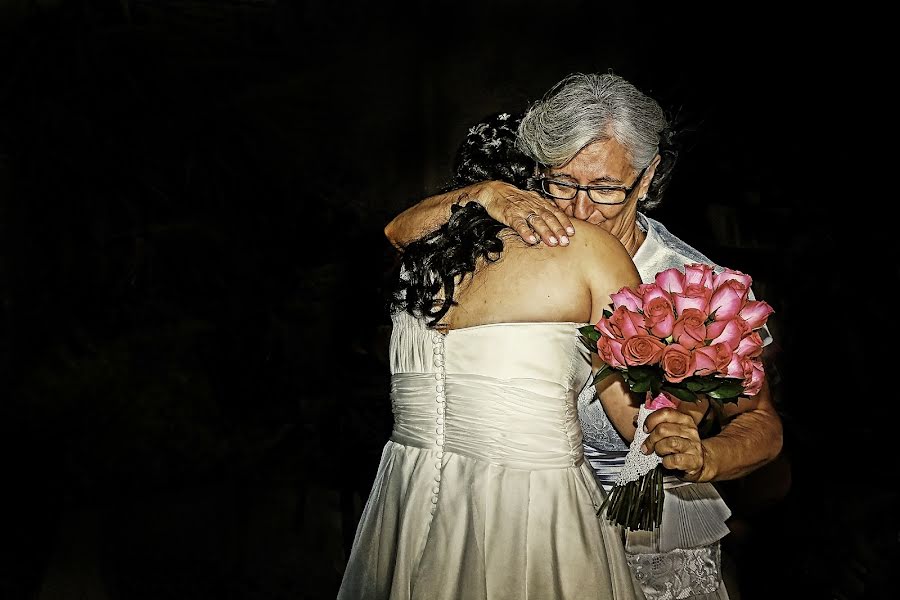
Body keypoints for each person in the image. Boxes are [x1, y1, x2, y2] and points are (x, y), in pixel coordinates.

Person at [383, 72, 785, 599]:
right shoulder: (523, 241)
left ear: (647, 179)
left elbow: (759, 422)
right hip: (518, 527)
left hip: (644, 541)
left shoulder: (698, 284)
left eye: (604, 189)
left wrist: (706, 455)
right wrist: (484, 195)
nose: (577, 209)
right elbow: (398, 234)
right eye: (561, 183)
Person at [337, 164, 647, 596]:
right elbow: (636, 420)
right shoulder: (589, 250)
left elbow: (395, 227)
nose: (577, 204)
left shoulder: (417, 256)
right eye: (561, 182)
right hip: (533, 505)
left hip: (408, 490)